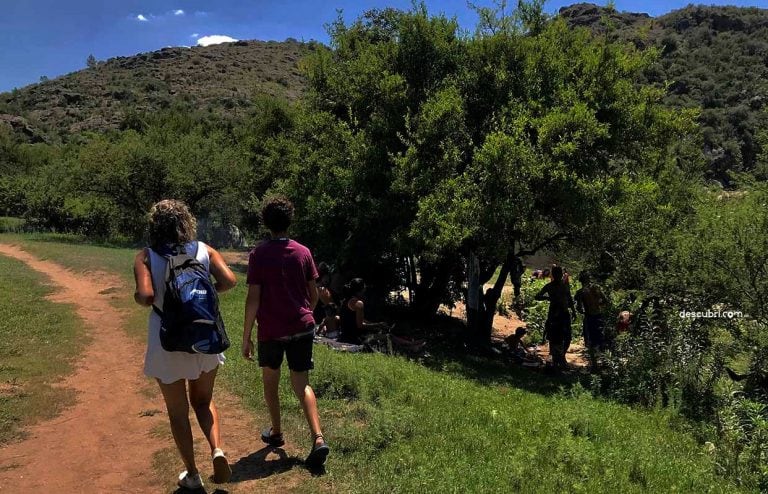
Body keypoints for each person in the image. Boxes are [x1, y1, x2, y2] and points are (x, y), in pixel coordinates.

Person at [133, 199, 237, 490]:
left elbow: (146, 297)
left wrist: (147, 297)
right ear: (186, 222)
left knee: (177, 412)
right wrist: (203, 298)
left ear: (154, 225)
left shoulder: (146, 256)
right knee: (203, 401)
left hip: (167, 340)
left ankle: (192, 474)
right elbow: (229, 281)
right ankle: (217, 449)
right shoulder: (204, 250)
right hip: (205, 336)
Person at [242, 195, 330, 467]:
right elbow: (313, 294)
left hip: (271, 330)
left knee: (271, 381)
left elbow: (253, 297)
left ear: (265, 223)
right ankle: (318, 438)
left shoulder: (259, 254)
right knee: (301, 383)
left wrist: (246, 337)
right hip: (302, 326)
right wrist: (305, 312)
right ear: (290, 220)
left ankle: (277, 431)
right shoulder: (303, 252)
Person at [534, 265, 576, 370]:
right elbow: (537, 296)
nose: (559, 276)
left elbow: (570, 299)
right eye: (557, 274)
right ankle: (554, 359)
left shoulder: (565, 286)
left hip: (564, 313)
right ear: (553, 275)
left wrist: (574, 311)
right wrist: (549, 298)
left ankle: (561, 356)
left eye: (560, 274)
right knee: (553, 336)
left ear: (561, 275)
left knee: (567, 337)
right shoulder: (549, 286)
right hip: (554, 314)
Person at [338, 278, 388, 345]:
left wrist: (375, 325)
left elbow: (358, 319)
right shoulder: (359, 303)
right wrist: (378, 325)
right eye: (364, 287)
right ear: (361, 290)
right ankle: (406, 344)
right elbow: (360, 325)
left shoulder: (345, 301)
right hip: (354, 339)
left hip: (343, 337)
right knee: (388, 337)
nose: (365, 288)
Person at [574, 272, 609, 369]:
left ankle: (595, 364)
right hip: (598, 315)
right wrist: (597, 305)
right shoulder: (595, 289)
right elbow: (605, 300)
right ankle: (603, 362)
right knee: (600, 339)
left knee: (591, 341)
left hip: (590, 317)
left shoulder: (581, 292)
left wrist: (584, 310)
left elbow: (579, 308)